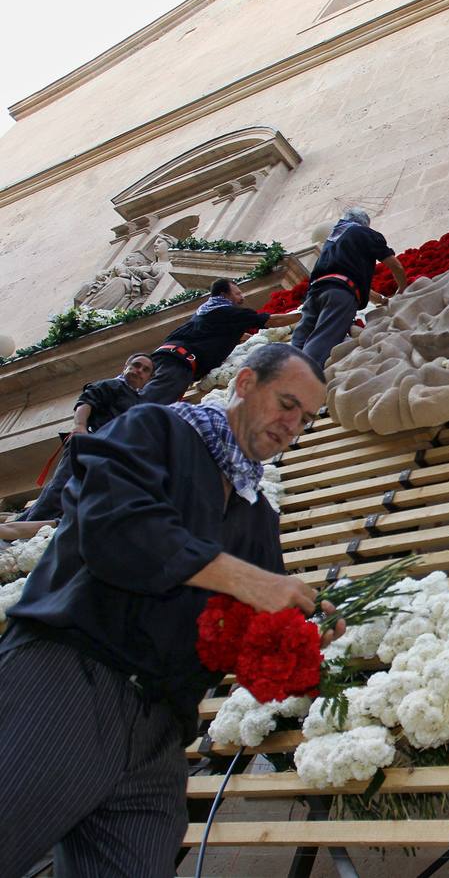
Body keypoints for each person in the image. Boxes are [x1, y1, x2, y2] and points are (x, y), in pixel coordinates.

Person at [0, 343, 341, 876]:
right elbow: (116, 530)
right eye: (287, 402)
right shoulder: (155, 429)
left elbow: (242, 628)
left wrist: (298, 640)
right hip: (67, 677)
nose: (292, 423)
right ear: (246, 383)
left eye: (305, 417)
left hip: (160, 731)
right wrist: (247, 579)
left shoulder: (258, 514)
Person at [22, 353, 155, 521]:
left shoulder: (140, 403)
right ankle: (26, 530)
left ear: (148, 378)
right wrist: (80, 426)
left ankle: (17, 529)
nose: (139, 371)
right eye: (136, 365)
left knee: (75, 494)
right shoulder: (111, 385)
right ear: (126, 366)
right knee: (62, 488)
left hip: (108, 458)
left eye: (145, 370)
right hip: (90, 444)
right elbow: (86, 402)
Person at [140, 278, 301, 405]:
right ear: (224, 295)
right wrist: (305, 313)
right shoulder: (228, 313)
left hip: (162, 357)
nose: (242, 297)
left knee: (136, 398)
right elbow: (273, 321)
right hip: (177, 364)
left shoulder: (206, 311)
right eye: (238, 294)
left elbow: (230, 335)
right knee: (150, 406)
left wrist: (251, 339)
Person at [291, 207, 406, 368]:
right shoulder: (363, 233)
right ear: (365, 224)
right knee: (323, 340)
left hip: (315, 294)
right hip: (340, 294)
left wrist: (380, 299)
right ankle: (303, 381)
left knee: (298, 342)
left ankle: (284, 378)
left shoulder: (331, 241)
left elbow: (349, 279)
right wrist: (402, 289)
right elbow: (396, 266)